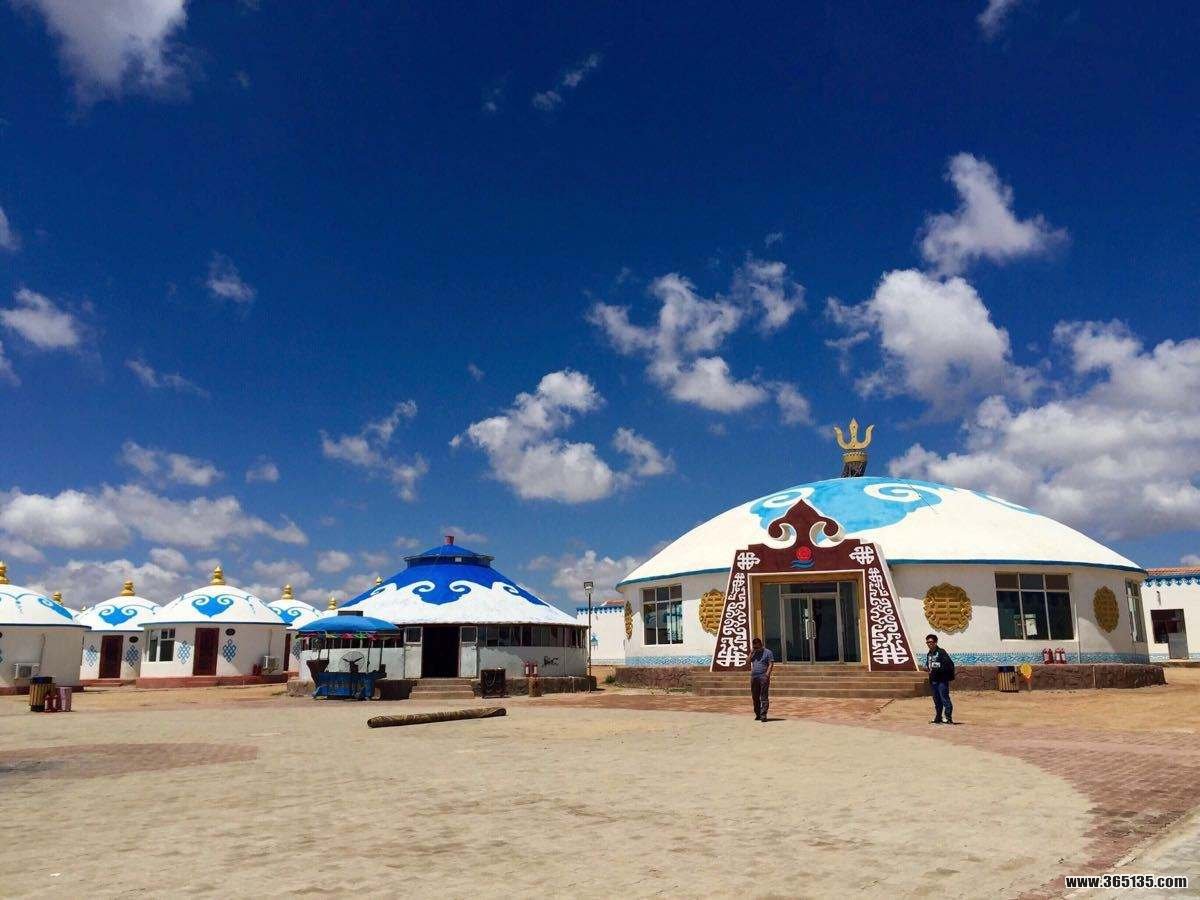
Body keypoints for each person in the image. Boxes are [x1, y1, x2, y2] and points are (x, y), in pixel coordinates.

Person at [925, 634, 955, 724]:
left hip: (942, 680)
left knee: (944, 699)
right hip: (933, 680)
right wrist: (927, 667)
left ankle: (948, 718)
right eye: (927, 642)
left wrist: (935, 667)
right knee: (937, 700)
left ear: (935, 642)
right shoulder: (929, 654)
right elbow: (929, 664)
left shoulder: (941, 652)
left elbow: (948, 664)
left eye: (931, 642)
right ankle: (938, 717)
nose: (929, 644)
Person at [750, 637, 774, 721]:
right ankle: (758, 714)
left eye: (757, 647)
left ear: (761, 645)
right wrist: (751, 653)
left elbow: (771, 663)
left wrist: (767, 674)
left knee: (763, 696)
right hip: (754, 677)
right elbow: (747, 661)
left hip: (763, 676)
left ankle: (763, 715)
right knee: (755, 697)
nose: (756, 648)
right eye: (754, 647)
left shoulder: (768, 652)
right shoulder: (754, 653)